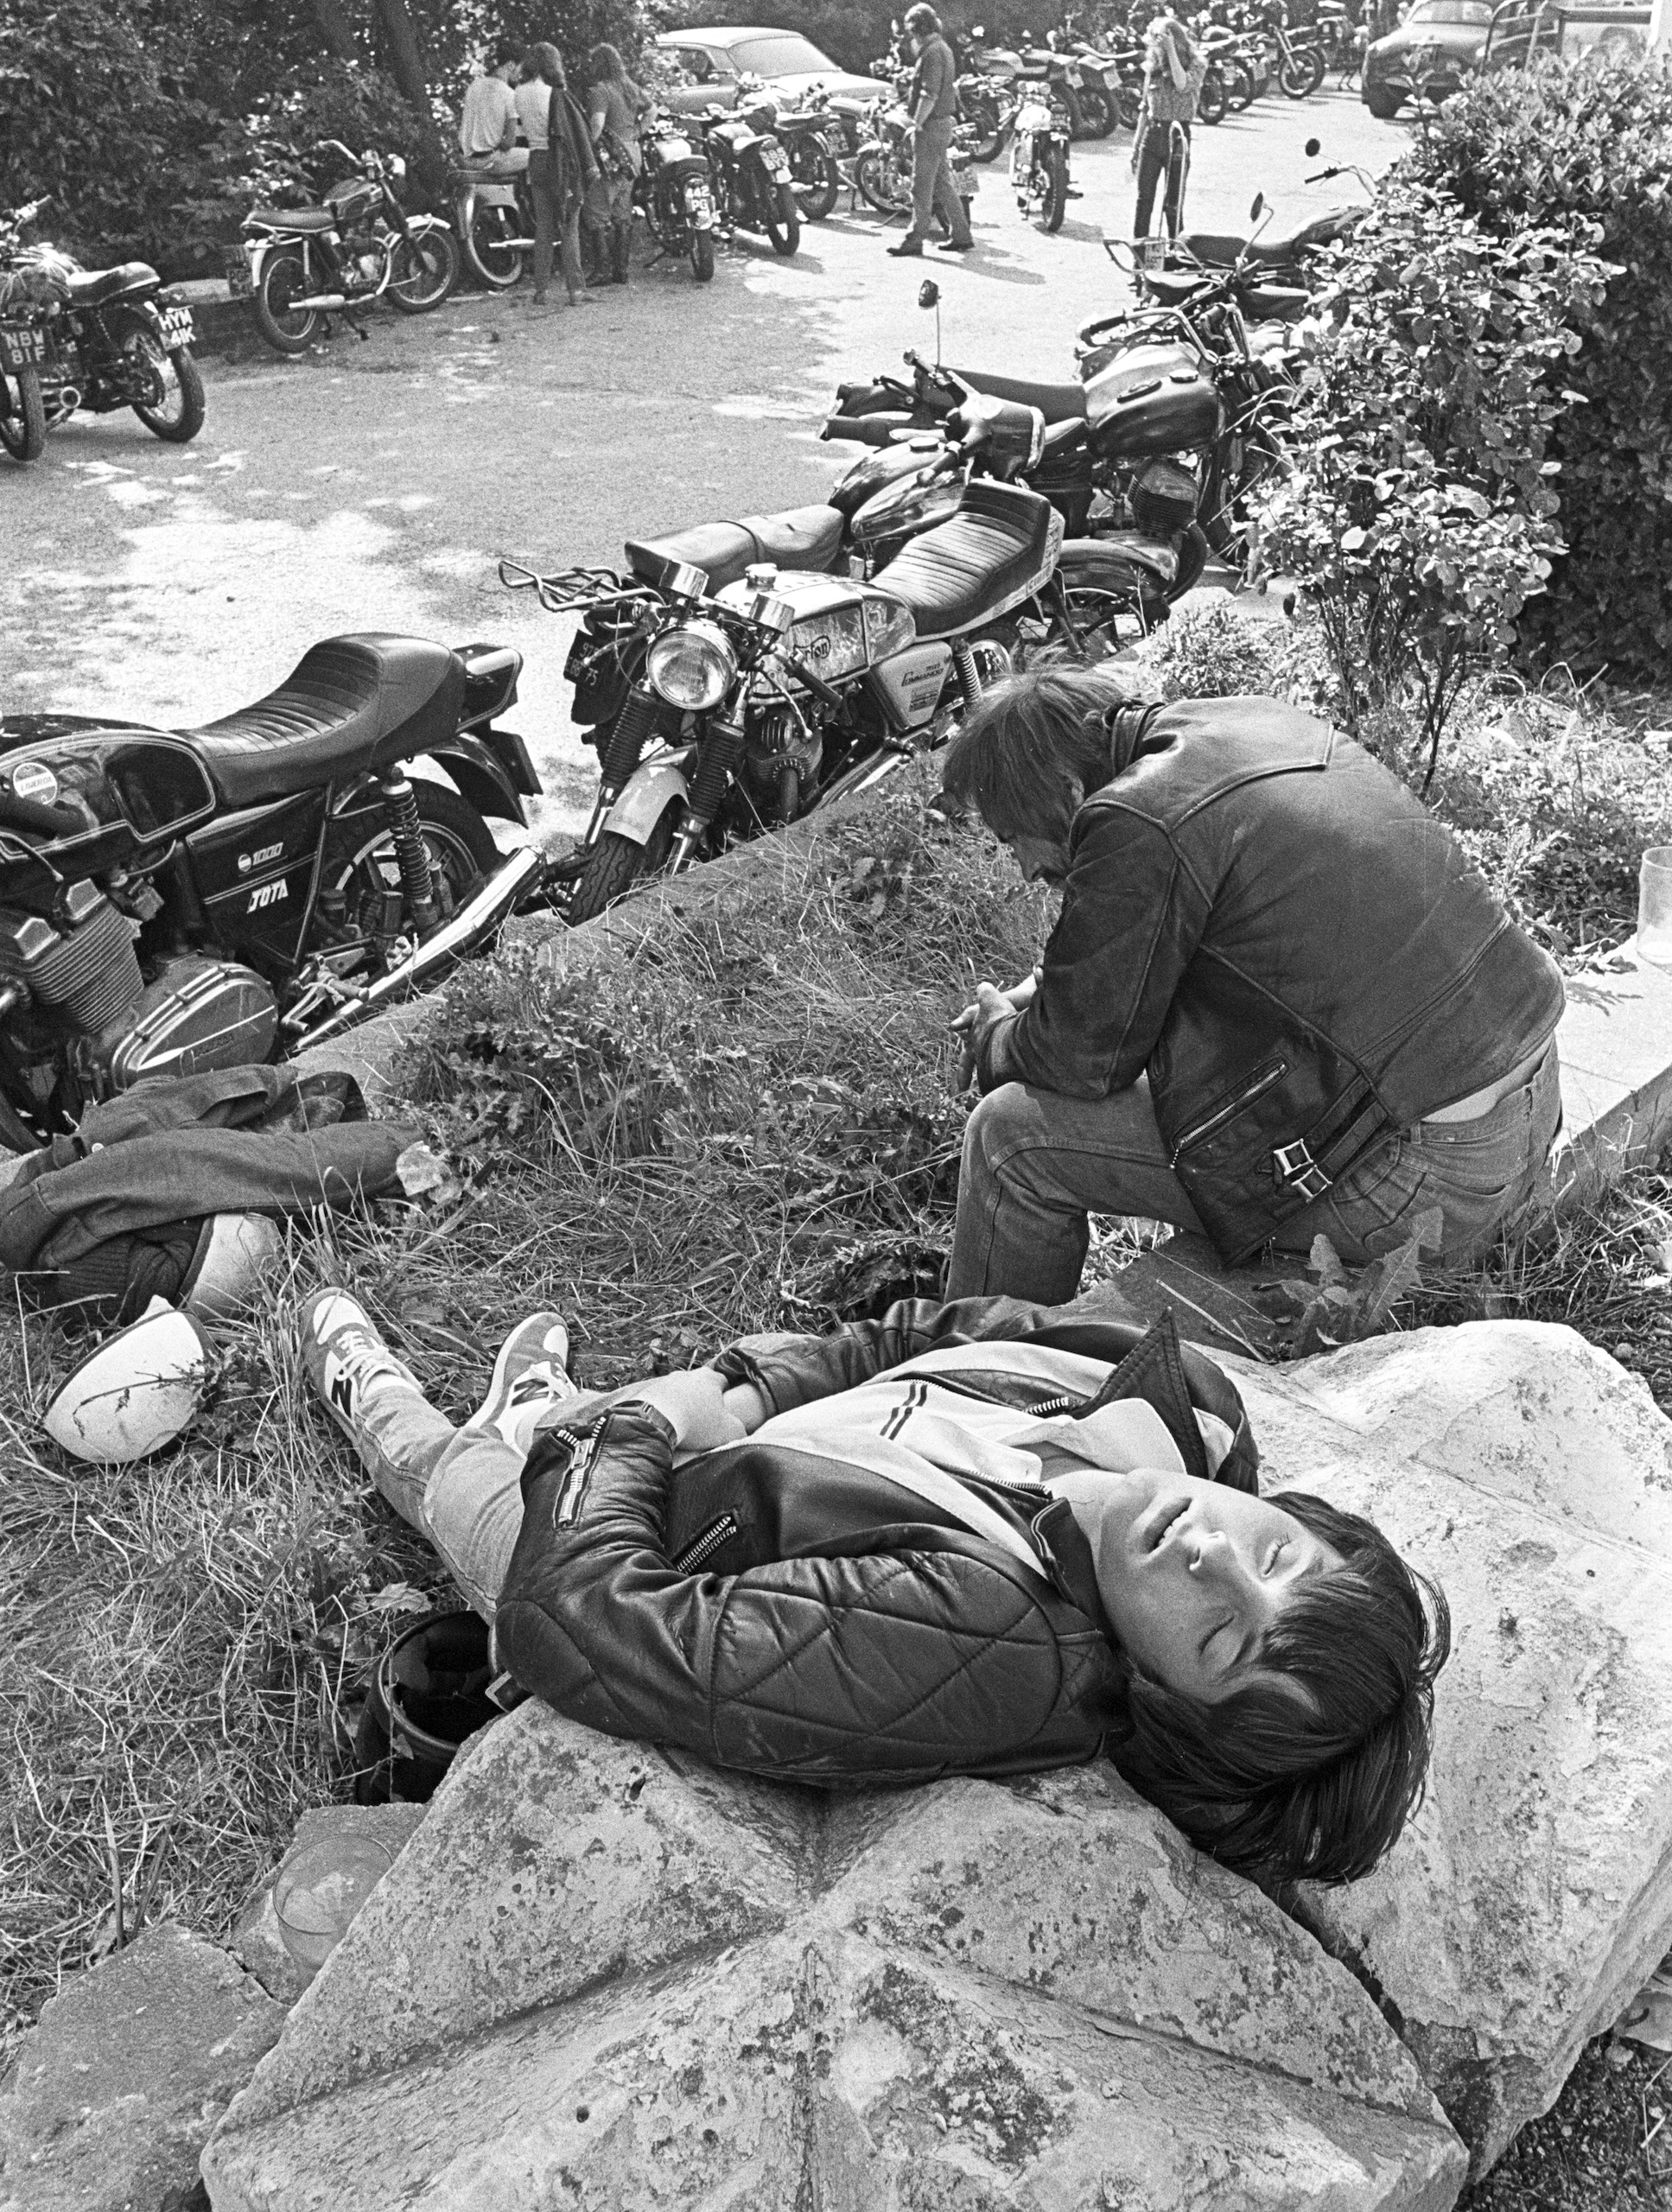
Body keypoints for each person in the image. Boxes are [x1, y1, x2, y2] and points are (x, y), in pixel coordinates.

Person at [300, 1284, 1450, 1886]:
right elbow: (915, 1333)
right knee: (581, 1427)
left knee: (462, 1486)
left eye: (1221, 1641)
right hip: (729, 1449)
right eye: (1280, 1558)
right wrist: (739, 1388)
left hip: (612, 1535)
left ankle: (378, 1389)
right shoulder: (1186, 1402)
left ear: (1169, 1703)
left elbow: (578, 1623)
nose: (1218, 1562)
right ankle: (545, 1409)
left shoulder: (994, 1640)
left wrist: (636, 1427)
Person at [942, 670, 1565, 1305]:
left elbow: (1077, 1059)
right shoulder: (1248, 723)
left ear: (1071, 791)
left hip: (1431, 1185)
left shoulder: (1134, 817)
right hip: (1526, 1110)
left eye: (1013, 840)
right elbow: (1203, 941)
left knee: (1007, 1136)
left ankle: (968, 1374)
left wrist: (997, 1037)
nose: (1023, 870)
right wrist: (1049, 994)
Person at [887, 2, 975, 260]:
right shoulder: (942, 48)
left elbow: (929, 93)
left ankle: (915, 239)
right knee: (942, 183)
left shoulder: (932, 53)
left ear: (917, 29)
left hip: (931, 125)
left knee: (920, 186)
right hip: (941, 123)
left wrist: (915, 124)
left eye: (911, 31)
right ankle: (961, 235)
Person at [513, 41, 598, 306]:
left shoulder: (519, 92)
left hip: (535, 161)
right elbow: (573, 135)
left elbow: (520, 134)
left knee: (544, 228)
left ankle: (541, 290)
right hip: (559, 163)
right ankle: (576, 290)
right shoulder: (556, 94)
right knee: (569, 225)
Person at [1129, 0, 1203, 250]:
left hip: (1179, 136)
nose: (1158, 49)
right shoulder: (1153, 67)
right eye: (1156, 45)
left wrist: (1172, 52)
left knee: (1173, 206)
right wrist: (1135, 146)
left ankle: (1176, 260)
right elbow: (1144, 108)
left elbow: (1182, 85)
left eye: (1162, 43)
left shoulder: (1196, 64)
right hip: (1153, 134)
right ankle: (1139, 264)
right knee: (1144, 203)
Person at [582, 41, 647, 288]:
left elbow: (597, 126)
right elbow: (651, 111)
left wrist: (587, 145)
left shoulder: (600, 91)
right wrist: (638, 131)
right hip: (632, 152)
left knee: (596, 209)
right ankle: (621, 270)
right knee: (622, 209)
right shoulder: (630, 87)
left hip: (612, 155)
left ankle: (602, 270)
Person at [457, 42, 527, 177]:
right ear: (511, 65)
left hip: (463, 160)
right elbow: (509, 143)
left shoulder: (474, 85)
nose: (520, 75)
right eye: (520, 69)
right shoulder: (509, 94)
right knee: (536, 156)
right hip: (486, 162)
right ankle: (526, 195)